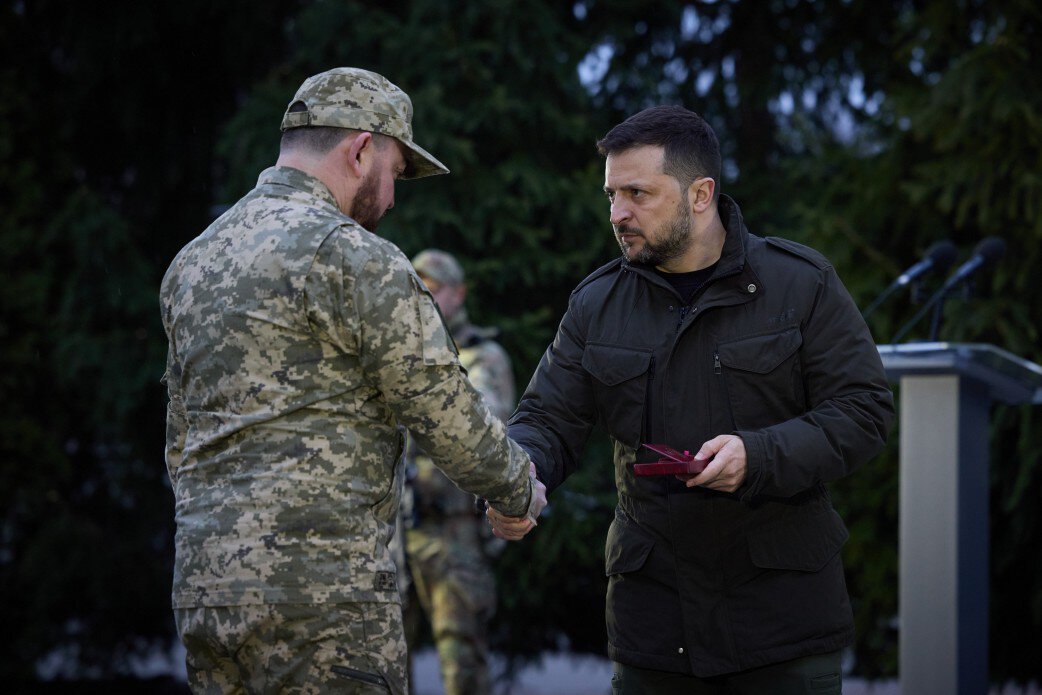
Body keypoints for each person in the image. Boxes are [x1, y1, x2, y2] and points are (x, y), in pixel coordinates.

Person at [160, 67, 545, 695]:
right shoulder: (353, 257)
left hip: (206, 593)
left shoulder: (193, 261)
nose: (392, 198)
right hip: (322, 600)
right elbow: (442, 408)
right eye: (394, 172)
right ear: (361, 150)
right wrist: (517, 491)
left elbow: (179, 438)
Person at [488, 105, 895, 694]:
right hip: (655, 628)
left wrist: (759, 455)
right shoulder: (597, 303)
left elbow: (863, 410)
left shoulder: (799, 283)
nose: (617, 214)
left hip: (780, 627)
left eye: (637, 193)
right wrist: (516, 476)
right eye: (610, 195)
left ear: (700, 193)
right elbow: (547, 419)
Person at [392, 249, 515, 694]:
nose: (425, 295)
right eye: (417, 286)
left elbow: (482, 426)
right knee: (382, 665)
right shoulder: (398, 356)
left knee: (461, 667)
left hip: (453, 535)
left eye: (435, 287)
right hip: (397, 534)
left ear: (459, 294)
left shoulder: (481, 356)